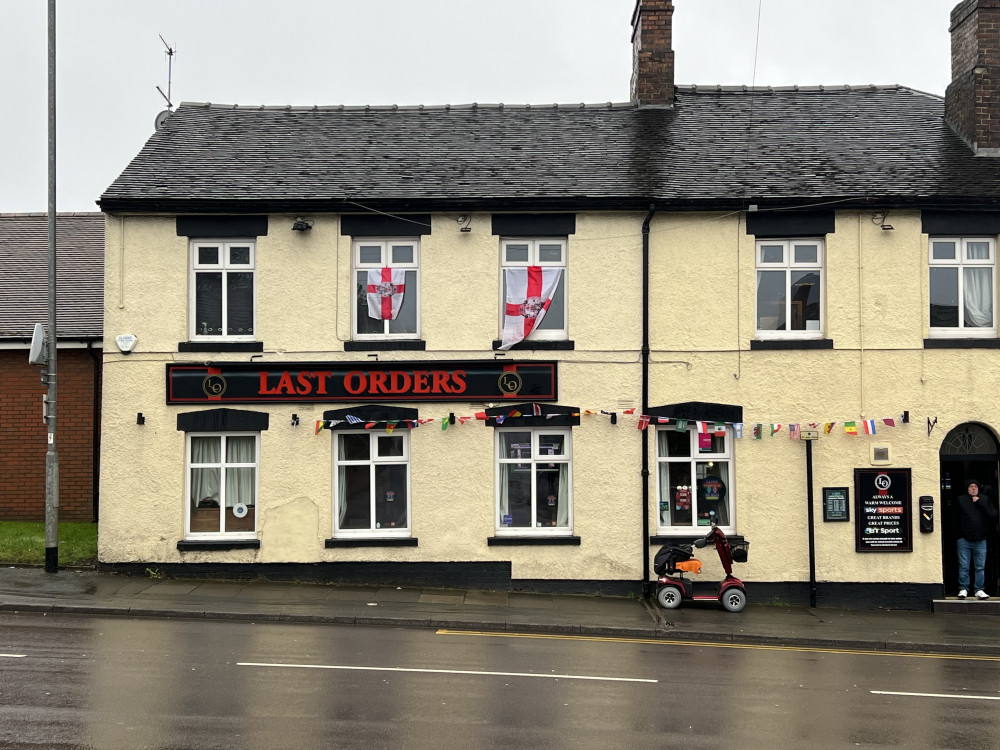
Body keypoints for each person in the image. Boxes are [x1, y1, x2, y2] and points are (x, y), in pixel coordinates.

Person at [954, 479, 998, 600]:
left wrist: (980, 503)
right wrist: (959, 535)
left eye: (975, 487)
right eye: (971, 486)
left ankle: (979, 589)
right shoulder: (961, 500)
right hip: (964, 539)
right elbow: (954, 518)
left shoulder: (985, 499)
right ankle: (963, 588)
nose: (973, 488)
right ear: (967, 488)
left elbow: (993, 515)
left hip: (980, 539)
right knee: (964, 566)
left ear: (978, 489)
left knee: (980, 567)